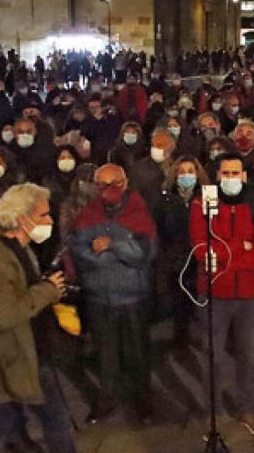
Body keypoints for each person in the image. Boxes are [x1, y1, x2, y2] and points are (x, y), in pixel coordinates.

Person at [0, 183, 77, 453]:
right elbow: (3, 315)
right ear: (22, 219)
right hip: (12, 356)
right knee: (52, 419)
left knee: (2, 419)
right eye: (43, 215)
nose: (50, 221)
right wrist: (47, 290)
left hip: (17, 352)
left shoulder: (10, 247)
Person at [190, 152, 254, 435]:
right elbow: (201, 248)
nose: (230, 178)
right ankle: (212, 412)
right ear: (217, 176)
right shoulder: (201, 205)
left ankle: (247, 407)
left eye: (235, 173)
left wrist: (225, 256)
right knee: (212, 356)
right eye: (225, 173)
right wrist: (241, 246)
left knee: (246, 355)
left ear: (244, 176)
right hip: (214, 294)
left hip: (250, 295)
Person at [68, 164, 157, 425]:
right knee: (105, 355)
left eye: (114, 183)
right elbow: (80, 253)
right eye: (102, 185)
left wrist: (112, 245)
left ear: (125, 183)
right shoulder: (88, 214)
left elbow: (143, 254)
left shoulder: (139, 213)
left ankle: (143, 403)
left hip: (132, 297)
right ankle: (106, 400)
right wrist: (117, 255)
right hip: (99, 297)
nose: (109, 190)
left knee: (137, 354)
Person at [152, 155, 208, 346]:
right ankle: (181, 341)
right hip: (174, 263)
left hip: (199, 261)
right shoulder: (165, 201)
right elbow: (158, 232)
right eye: (181, 172)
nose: (186, 176)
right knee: (179, 307)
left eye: (190, 172)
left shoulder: (206, 199)